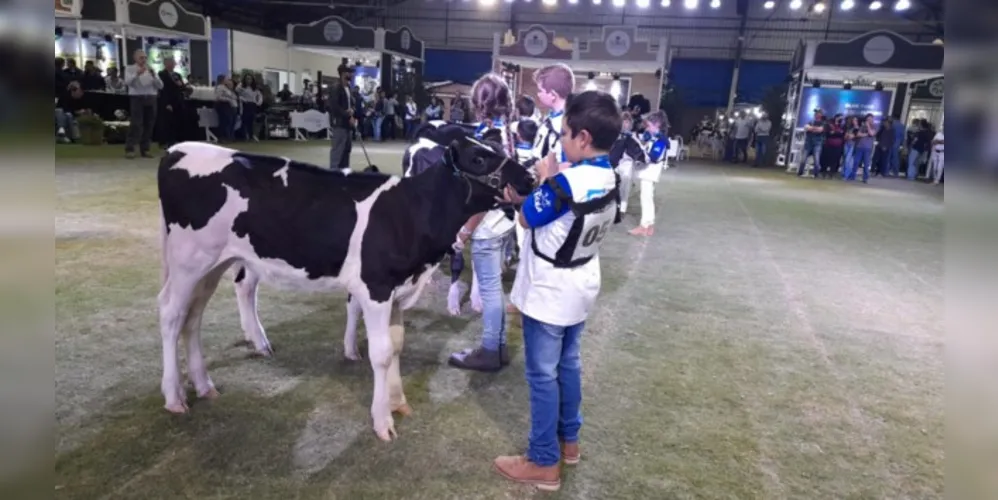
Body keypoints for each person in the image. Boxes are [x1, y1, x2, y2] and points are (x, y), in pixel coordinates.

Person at [492, 90, 622, 491]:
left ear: (582, 138)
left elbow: (529, 216)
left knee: (542, 375)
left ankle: (543, 461)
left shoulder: (565, 182)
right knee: (568, 365)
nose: (561, 140)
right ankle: (570, 442)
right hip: (582, 284)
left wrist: (547, 176)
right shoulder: (609, 174)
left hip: (551, 291)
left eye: (565, 133)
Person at [448, 73, 515, 372]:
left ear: (479, 105)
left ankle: (489, 349)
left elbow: (481, 196)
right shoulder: (507, 133)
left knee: (489, 290)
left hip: (488, 224)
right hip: (505, 221)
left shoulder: (486, 142)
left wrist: (463, 232)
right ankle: (497, 346)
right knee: (494, 288)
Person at [630, 110, 670, 237]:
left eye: (649, 125)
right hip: (649, 170)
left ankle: (644, 225)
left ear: (657, 124)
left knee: (646, 197)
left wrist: (642, 151)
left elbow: (653, 157)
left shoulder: (661, 139)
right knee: (648, 197)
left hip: (651, 171)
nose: (647, 128)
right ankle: (649, 225)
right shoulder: (655, 137)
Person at [123, 49, 163, 158]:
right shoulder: (130, 69)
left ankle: (145, 149)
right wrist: (137, 74)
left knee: (149, 124)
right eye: (141, 58)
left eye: (145, 58)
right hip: (137, 98)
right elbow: (127, 82)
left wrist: (154, 76)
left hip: (151, 97)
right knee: (136, 123)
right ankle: (130, 148)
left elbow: (160, 86)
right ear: (135, 58)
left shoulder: (151, 69)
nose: (144, 60)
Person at [532, 63, 575, 162]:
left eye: (540, 91)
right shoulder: (550, 119)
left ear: (552, 95)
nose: (538, 95)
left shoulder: (567, 125)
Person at [609, 112, 645, 217]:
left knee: (625, 184)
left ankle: (622, 207)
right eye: (624, 121)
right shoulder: (614, 134)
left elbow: (639, 149)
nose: (626, 124)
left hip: (627, 163)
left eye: (628, 122)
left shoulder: (632, 136)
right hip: (614, 162)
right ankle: (612, 206)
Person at [327, 64, 356, 169]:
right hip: (339, 123)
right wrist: (347, 114)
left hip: (348, 124)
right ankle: (333, 174)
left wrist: (352, 110)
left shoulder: (348, 87)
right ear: (343, 73)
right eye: (350, 72)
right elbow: (334, 106)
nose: (352, 74)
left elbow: (352, 103)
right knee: (338, 150)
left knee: (347, 149)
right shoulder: (336, 87)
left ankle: (344, 172)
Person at [157, 57, 188, 148]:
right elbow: (163, 90)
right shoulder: (161, 74)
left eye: (174, 63)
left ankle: (175, 140)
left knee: (177, 122)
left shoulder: (177, 75)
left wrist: (182, 85)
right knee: (167, 123)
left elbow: (182, 88)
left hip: (178, 101)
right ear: (166, 64)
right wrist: (166, 103)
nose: (173, 65)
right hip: (167, 101)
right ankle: (164, 141)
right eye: (171, 63)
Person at [844, 113, 876, 183]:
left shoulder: (874, 126)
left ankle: (865, 178)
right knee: (856, 162)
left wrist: (868, 126)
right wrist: (865, 134)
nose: (869, 121)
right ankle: (852, 176)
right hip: (859, 147)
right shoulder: (862, 127)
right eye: (868, 119)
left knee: (866, 163)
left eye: (870, 119)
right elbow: (858, 134)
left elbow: (871, 133)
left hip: (867, 148)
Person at [797, 108, 827, 178]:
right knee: (803, 159)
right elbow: (806, 127)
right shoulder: (810, 121)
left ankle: (816, 174)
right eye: (816, 113)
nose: (816, 114)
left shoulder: (824, 123)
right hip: (808, 143)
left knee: (816, 160)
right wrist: (813, 128)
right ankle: (800, 173)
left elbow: (820, 130)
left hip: (817, 143)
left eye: (818, 113)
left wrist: (812, 128)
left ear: (821, 114)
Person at [236, 73, 263, 141]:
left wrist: (258, 102)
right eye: (247, 78)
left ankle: (251, 136)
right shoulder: (241, 86)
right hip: (245, 104)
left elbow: (259, 95)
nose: (249, 80)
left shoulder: (255, 87)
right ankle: (244, 136)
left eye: (250, 79)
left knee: (251, 121)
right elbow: (237, 94)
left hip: (253, 105)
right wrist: (242, 99)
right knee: (244, 121)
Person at [213, 74, 238, 142]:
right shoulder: (220, 87)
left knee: (228, 122)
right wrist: (228, 99)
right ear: (223, 80)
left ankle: (228, 136)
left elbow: (232, 96)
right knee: (224, 122)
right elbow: (218, 97)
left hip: (227, 106)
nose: (227, 80)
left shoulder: (225, 88)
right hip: (222, 106)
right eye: (226, 79)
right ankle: (222, 137)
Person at [820, 114, 845, 179]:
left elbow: (842, 134)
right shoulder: (829, 124)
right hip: (828, 145)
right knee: (826, 159)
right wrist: (837, 133)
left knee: (835, 160)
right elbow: (829, 133)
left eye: (842, 118)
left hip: (838, 146)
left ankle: (832, 173)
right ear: (836, 117)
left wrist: (835, 132)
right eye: (840, 118)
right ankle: (823, 172)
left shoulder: (842, 126)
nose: (841, 119)